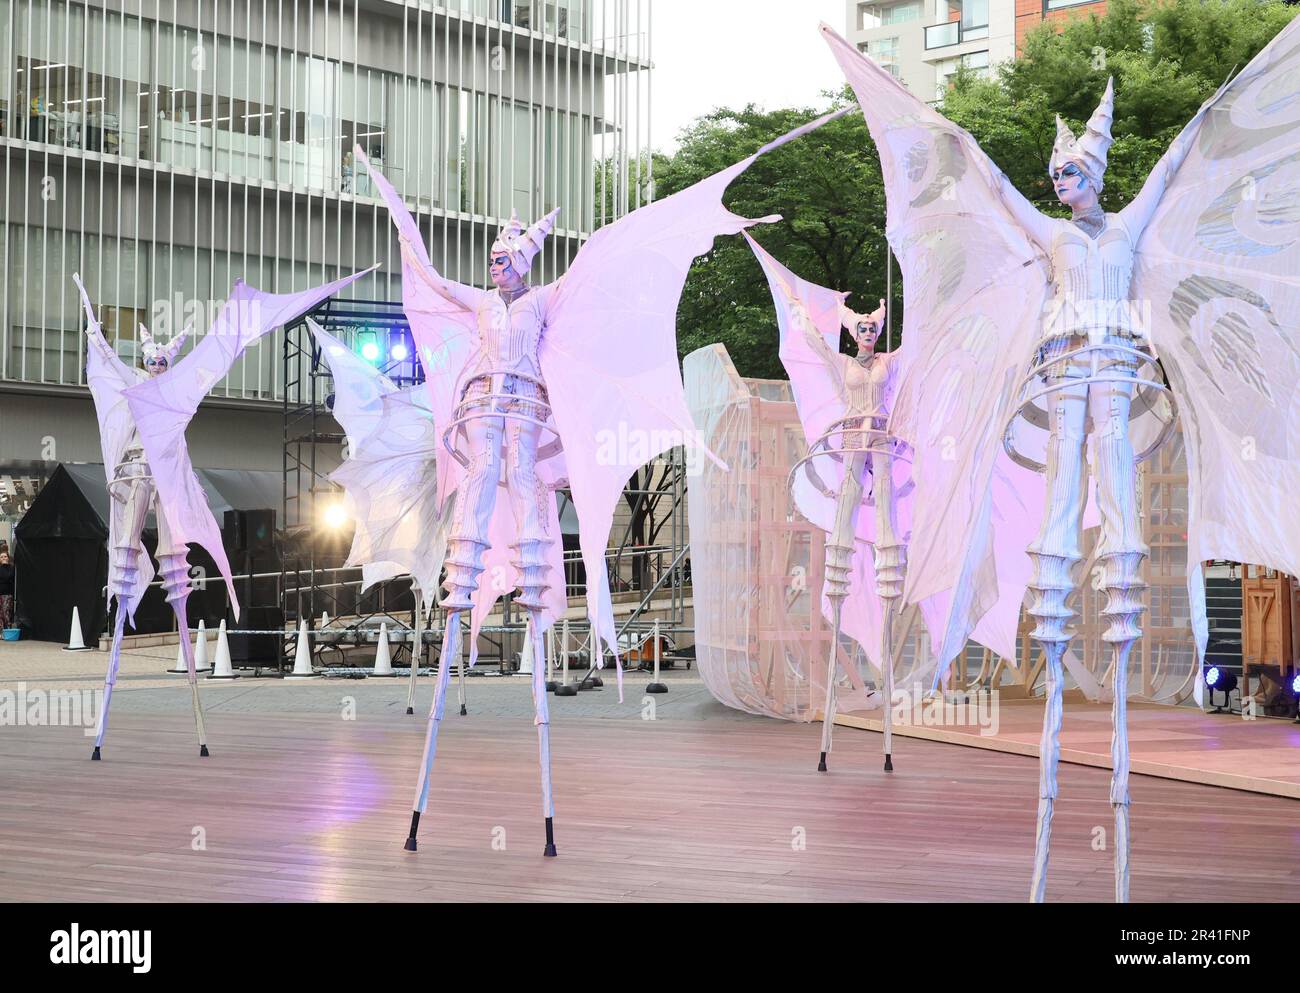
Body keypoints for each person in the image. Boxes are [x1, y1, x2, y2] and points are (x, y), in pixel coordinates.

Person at [0, 549, 15, 630]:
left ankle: (8, 630)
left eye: (5, 556)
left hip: (7, 594)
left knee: (6, 613)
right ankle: (1, 632)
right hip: (0, 594)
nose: (3, 558)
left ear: (8, 558)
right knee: (0, 614)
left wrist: (5, 565)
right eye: (1, 557)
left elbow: (7, 577)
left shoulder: (12, 568)